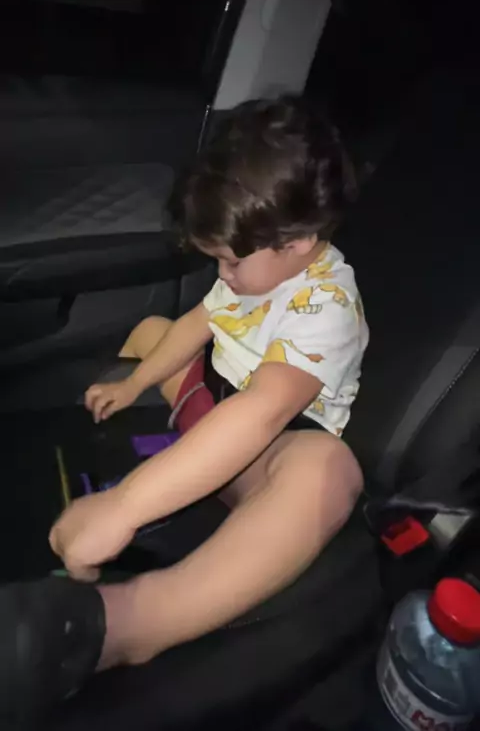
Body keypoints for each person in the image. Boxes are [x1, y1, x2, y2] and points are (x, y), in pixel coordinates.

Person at [1, 97, 368, 721]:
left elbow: (259, 414)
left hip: (260, 452)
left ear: (301, 240)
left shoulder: (325, 307)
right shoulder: (254, 273)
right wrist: (135, 383)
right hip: (208, 403)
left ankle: (139, 621)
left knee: (329, 473)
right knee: (153, 330)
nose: (223, 272)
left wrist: (125, 507)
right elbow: (201, 322)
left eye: (231, 261)